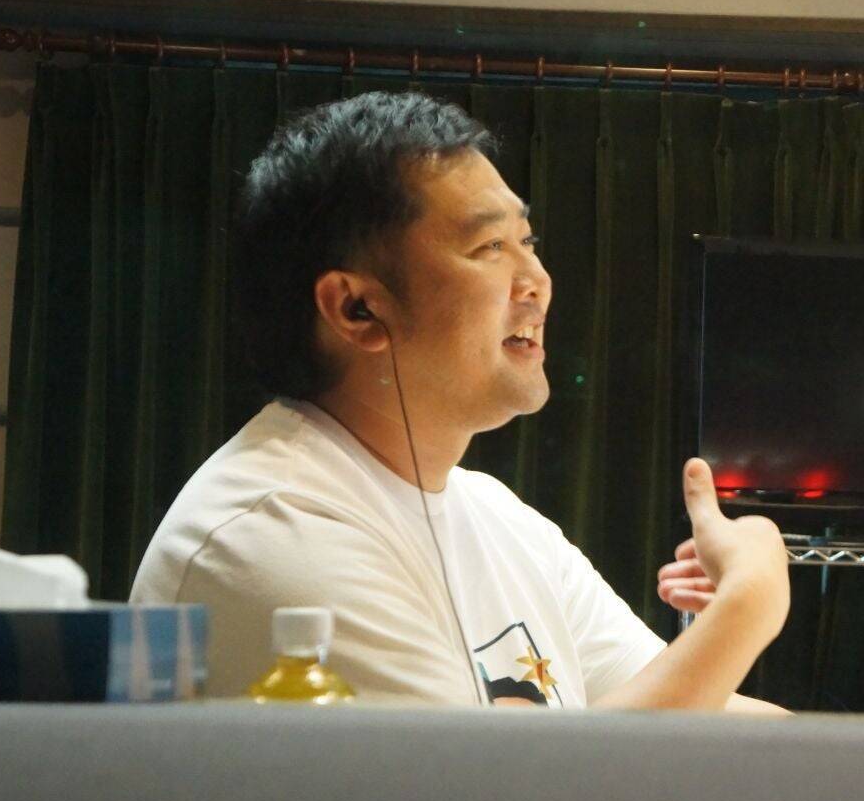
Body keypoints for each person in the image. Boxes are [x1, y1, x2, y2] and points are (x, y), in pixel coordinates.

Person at [130, 92, 789, 711]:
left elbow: (703, 720)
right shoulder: (271, 534)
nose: (537, 281)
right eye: (490, 246)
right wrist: (746, 608)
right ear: (357, 308)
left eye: (527, 241)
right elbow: (507, 789)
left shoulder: (499, 518)